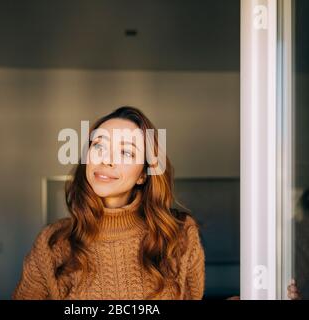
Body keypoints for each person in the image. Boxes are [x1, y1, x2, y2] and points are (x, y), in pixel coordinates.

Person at [12, 106, 205, 300]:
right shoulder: (52, 243)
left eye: (126, 152)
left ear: (143, 175)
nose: (107, 159)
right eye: (99, 146)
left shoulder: (180, 236)